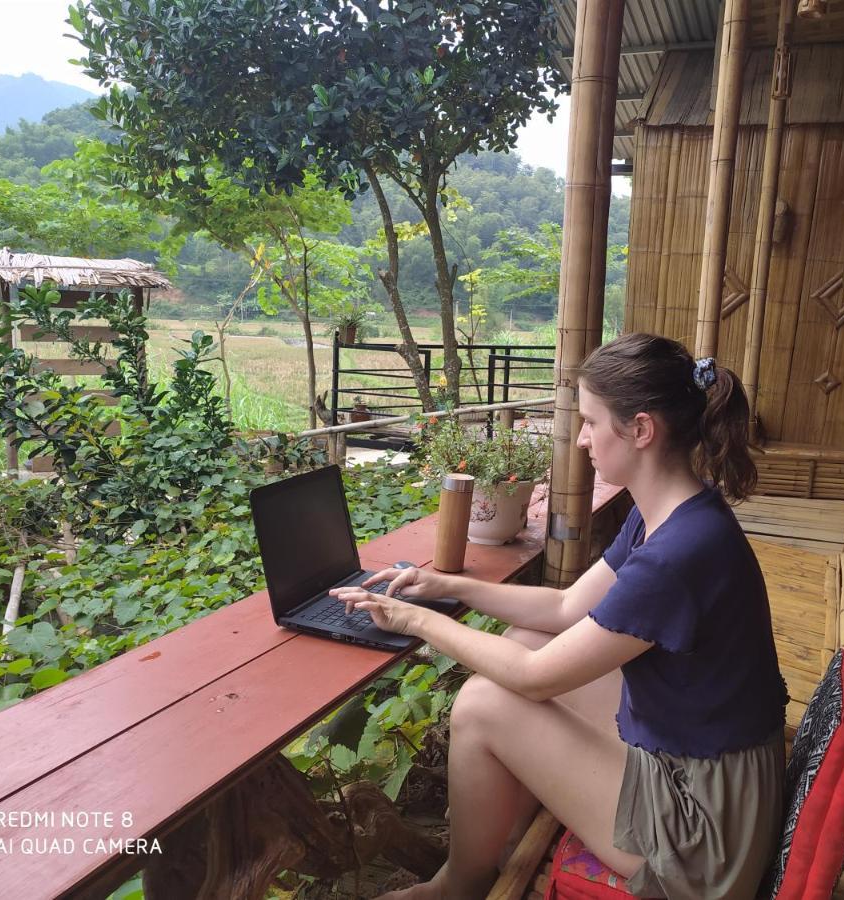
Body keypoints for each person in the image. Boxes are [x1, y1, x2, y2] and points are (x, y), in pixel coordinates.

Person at [331, 333, 789, 900]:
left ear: (642, 429)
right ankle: (505, 839)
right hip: (714, 773)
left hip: (703, 835)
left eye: (592, 422)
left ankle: (459, 885)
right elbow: (565, 607)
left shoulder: (677, 554)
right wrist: (446, 585)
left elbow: (535, 677)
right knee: (529, 635)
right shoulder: (672, 514)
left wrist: (417, 621)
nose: (581, 438)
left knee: (482, 702)